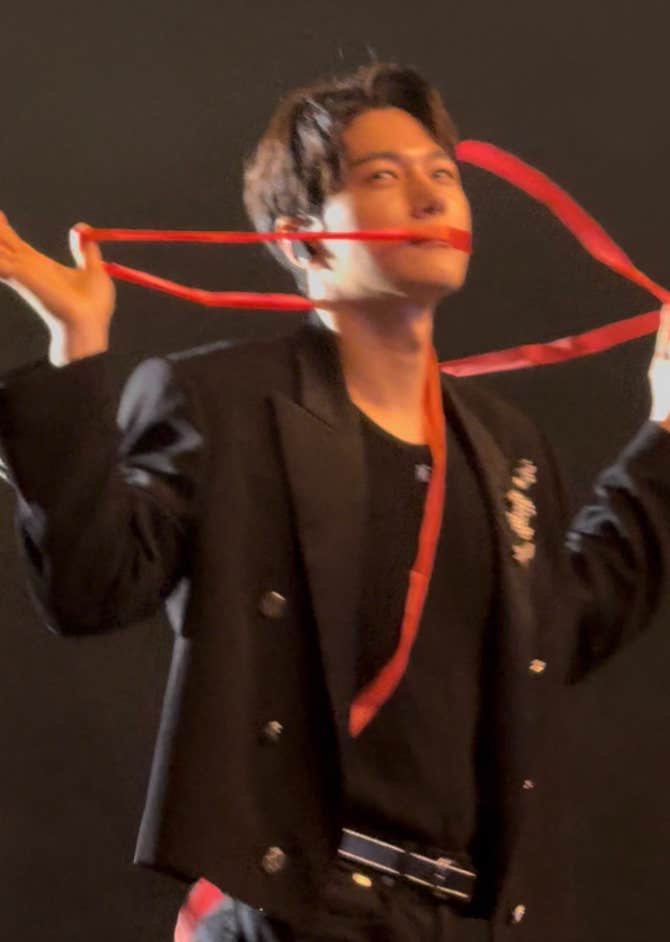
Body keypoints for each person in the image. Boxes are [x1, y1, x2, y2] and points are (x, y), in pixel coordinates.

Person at [1, 62, 670, 942]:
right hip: (298, 908)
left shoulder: (504, 444)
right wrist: (76, 344)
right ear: (303, 239)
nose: (432, 197)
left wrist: (667, 425)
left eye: (443, 173)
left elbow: (559, 630)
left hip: (467, 919)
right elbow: (92, 586)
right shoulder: (224, 403)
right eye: (384, 176)